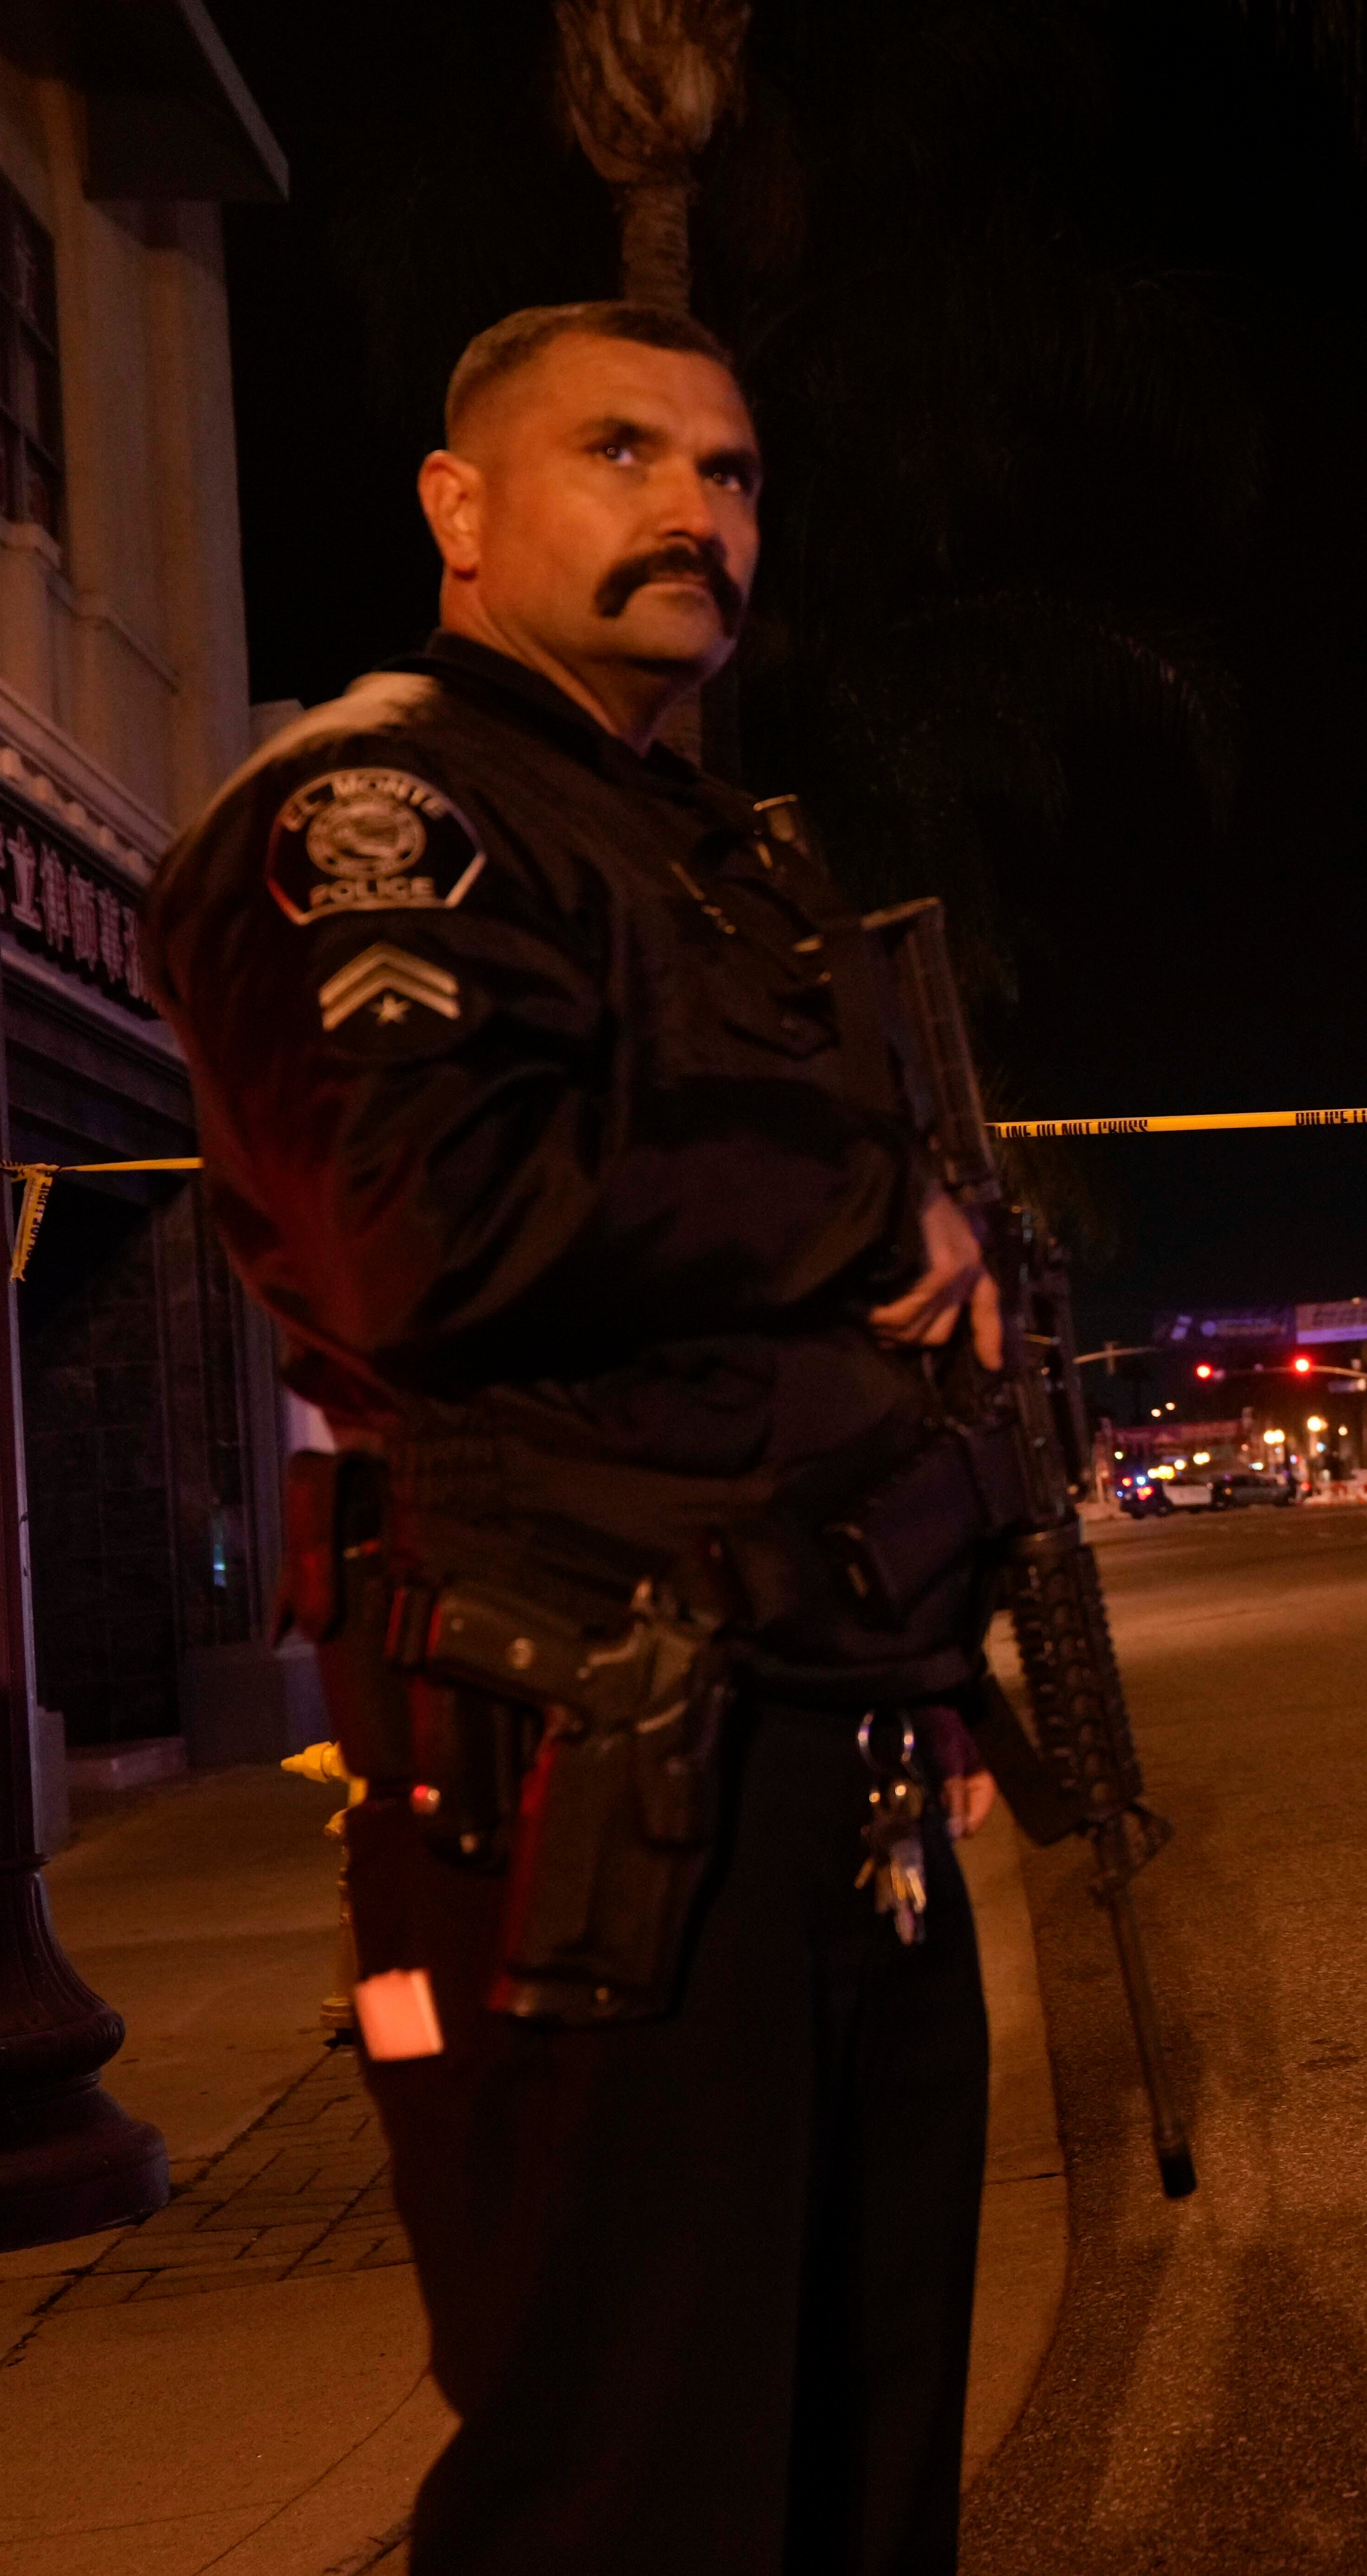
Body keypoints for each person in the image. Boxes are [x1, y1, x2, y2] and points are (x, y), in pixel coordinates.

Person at [143, 302, 1008, 2572]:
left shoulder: (701, 844)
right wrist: (858, 1200)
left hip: (820, 1725)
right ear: (459, 507)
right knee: (636, 2469)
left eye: (728, 472)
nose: (692, 511)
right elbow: (420, 1228)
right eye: (620, 453)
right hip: (583, 1753)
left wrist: (935, 1646)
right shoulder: (376, 812)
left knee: (858, 2444)